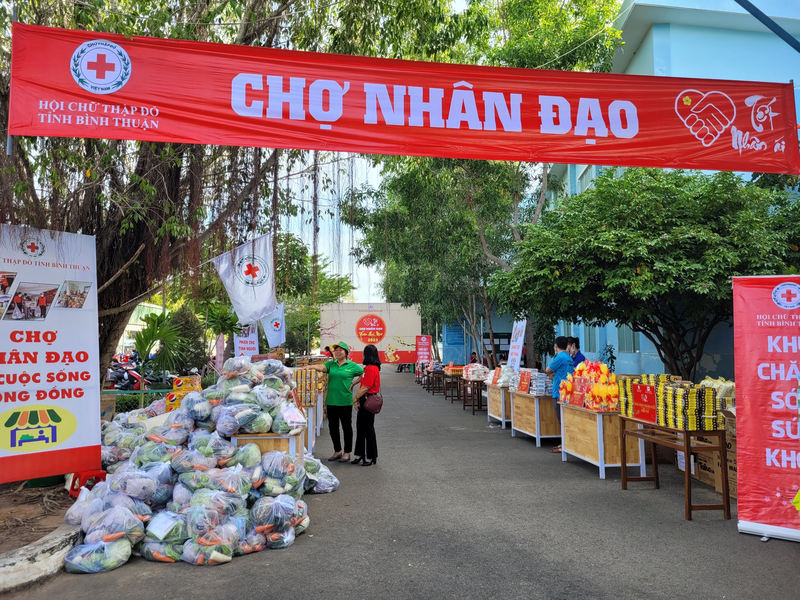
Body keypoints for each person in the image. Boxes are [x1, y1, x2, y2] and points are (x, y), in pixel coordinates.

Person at [299, 341, 363, 462]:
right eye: (336, 350)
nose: (337, 352)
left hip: (345, 401)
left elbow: (363, 374)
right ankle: (337, 451)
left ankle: (347, 452)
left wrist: (354, 383)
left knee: (346, 428)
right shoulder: (331, 364)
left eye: (340, 350)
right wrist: (310, 366)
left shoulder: (352, 366)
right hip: (331, 401)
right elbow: (322, 367)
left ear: (346, 353)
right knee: (333, 427)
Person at [351, 344, 381, 466]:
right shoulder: (368, 368)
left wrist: (355, 398)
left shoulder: (372, 368)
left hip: (368, 399)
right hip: (365, 398)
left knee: (368, 428)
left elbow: (365, 387)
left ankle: (370, 456)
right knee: (360, 426)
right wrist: (354, 383)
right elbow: (362, 378)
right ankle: (360, 454)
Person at [546, 336, 574, 454]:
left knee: (561, 419)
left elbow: (548, 369)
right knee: (565, 419)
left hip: (559, 391)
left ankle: (565, 445)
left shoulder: (559, 357)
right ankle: (566, 443)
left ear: (556, 346)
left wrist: (553, 373)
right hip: (568, 391)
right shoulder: (569, 358)